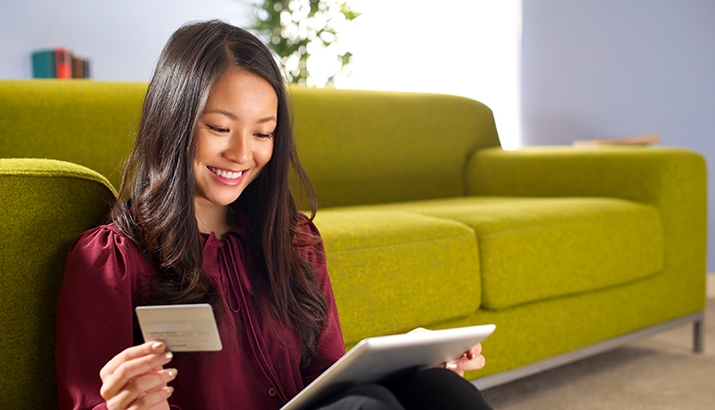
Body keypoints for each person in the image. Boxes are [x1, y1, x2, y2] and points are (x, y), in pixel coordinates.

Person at [55, 20, 494, 410]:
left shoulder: (293, 240)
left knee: (434, 387)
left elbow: (327, 375)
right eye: (220, 128)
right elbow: (89, 400)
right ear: (173, 121)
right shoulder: (111, 260)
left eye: (263, 132)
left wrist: (406, 359)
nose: (243, 153)